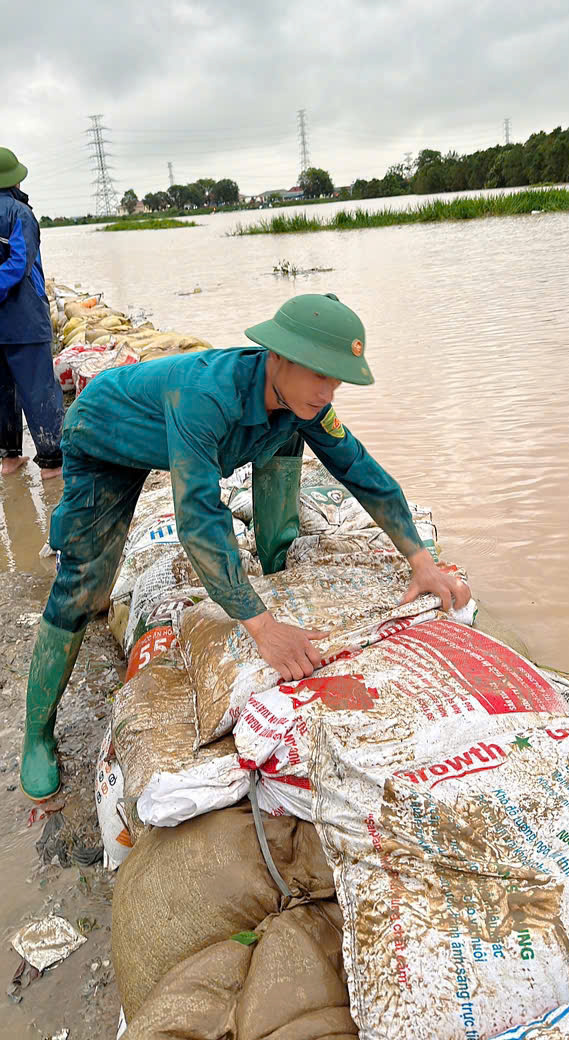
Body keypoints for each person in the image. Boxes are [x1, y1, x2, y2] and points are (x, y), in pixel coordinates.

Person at [20, 293, 470, 800]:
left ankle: (276, 570)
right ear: (275, 355)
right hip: (107, 435)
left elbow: (360, 470)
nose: (328, 391)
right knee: (83, 587)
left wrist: (420, 559)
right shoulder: (206, 396)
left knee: (292, 436)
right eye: (318, 374)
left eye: (337, 378)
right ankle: (36, 734)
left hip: (190, 432)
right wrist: (262, 628)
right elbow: (199, 520)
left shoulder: (304, 405)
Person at [0, 147, 64, 479]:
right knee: (38, 387)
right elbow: (18, 265)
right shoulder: (19, 213)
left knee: (2, 392)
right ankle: (52, 465)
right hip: (23, 319)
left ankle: (9, 459)